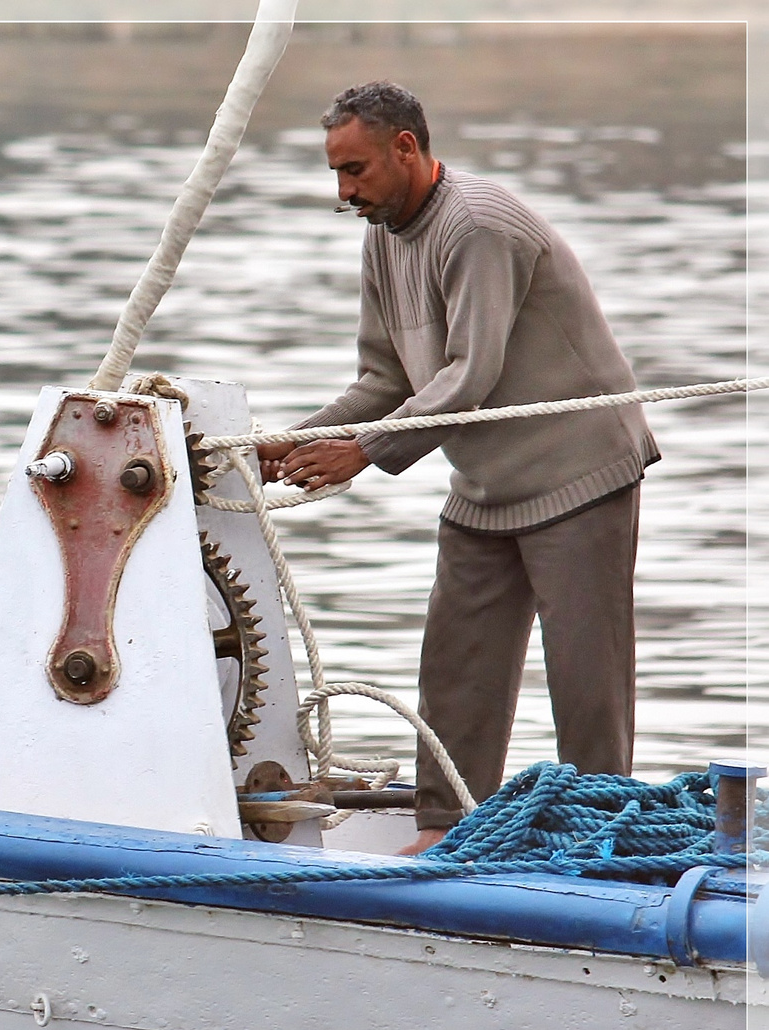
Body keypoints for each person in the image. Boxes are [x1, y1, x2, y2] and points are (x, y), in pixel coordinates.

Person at [257, 82, 659, 856]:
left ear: (405, 147)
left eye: (356, 170)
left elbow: (469, 374)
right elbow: (384, 378)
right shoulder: (382, 232)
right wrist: (284, 441)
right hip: (484, 486)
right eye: (335, 173)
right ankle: (446, 829)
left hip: (578, 472)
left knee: (586, 681)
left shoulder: (476, 227)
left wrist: (364, 453)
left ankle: (605, 840)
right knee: (454, 667)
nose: (344, 193)